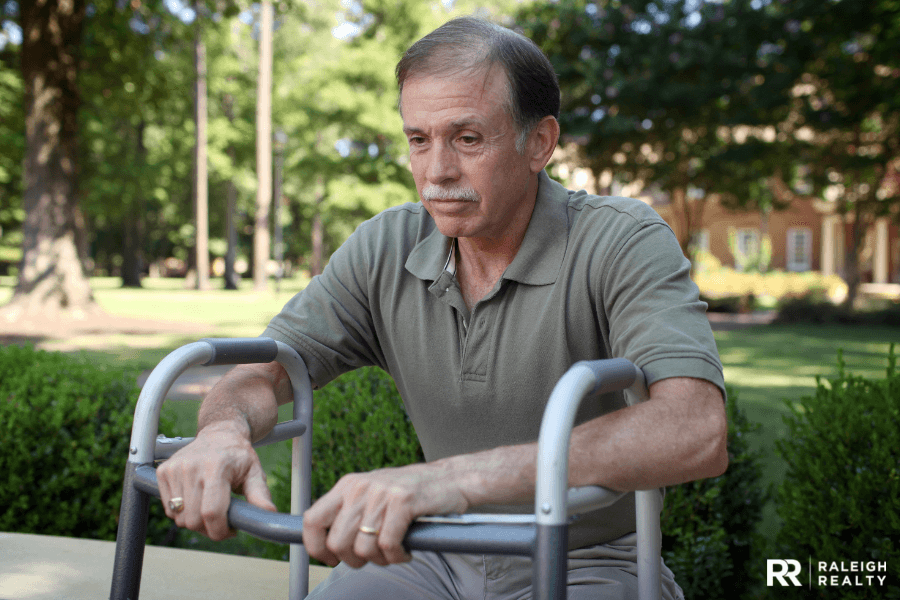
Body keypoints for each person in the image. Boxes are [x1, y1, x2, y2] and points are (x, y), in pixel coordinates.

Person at [157, 16, 728, 600]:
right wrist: (221, 433)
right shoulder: (386, 245)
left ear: (539, 143)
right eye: (419, 139)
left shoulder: (622, 239)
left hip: (588, 558)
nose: (436, 172)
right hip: (431, 553)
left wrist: (446, 482)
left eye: (468, 138)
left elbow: (695, 429)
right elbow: (265, 373)